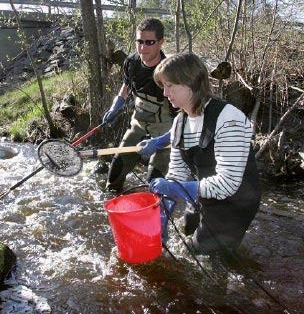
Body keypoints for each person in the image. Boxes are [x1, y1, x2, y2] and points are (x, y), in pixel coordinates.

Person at [143, 52, 261, 254]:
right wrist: (162, 214)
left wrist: (179, 189)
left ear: (191, 83)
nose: (165, 93)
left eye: (170, 85)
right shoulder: (180, 122)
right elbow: (177, 174)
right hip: (204, 192)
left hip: (235, 202)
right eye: (163, 86)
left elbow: (228, 183)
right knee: (188, 225)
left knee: (201, 251)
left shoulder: (228, 118)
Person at [102, 18, 175, 193]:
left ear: (161, 42)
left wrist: (162, 140)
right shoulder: (131, 62)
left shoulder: (170, 71)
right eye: (139, 42)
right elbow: (125, 88)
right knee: (114, 174)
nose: (143, 48)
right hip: (138, 124)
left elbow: (185, 116)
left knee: (154, 183)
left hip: (164, 129)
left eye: (149, 42)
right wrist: (116, 106)